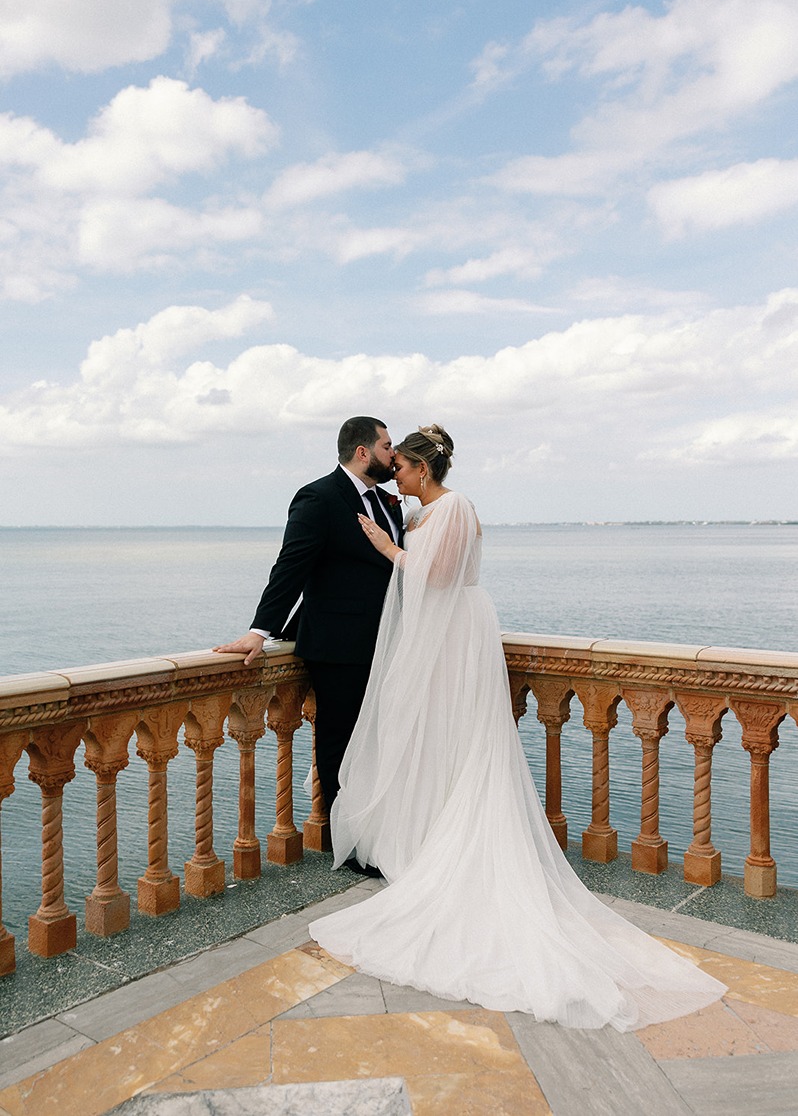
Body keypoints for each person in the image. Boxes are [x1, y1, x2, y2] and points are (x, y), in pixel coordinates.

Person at [308, 424, 727, 1031]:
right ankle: (424, 834)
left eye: (399, 467)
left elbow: (440, 578)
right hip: (446, 633)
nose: (393, 476)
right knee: (435, 737)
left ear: (423, 471)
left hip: (454, 635)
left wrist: (384, 546)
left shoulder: (454, 507)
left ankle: (447, 849)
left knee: (460, 737)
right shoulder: (429, 511)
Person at [214, 416, 402, 825]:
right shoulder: (319, 497)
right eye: (388, 446)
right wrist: (259, 630)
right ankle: (346, 840)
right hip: (339, 645)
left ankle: (378, 830)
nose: (394, 454)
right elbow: (290, 567)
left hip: (388, 642)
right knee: (340, 744)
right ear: (362, 452)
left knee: (378, 742)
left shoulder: (388, 503)